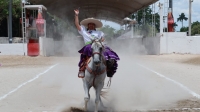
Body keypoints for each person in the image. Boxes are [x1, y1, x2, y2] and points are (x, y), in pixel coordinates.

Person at [74, 8, 120, 78]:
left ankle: (109, 69)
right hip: (89, 46)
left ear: (94, 26)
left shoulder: (99, 32)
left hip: (98, 44)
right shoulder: (84, 31)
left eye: (93, 24)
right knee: (87, 50)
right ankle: (82, 70)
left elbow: (102, 39)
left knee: (109, 52)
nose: (91, 25)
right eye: (90, 24)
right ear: (88, 25)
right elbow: (77, 24)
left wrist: (102, 40)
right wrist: (76, 15)